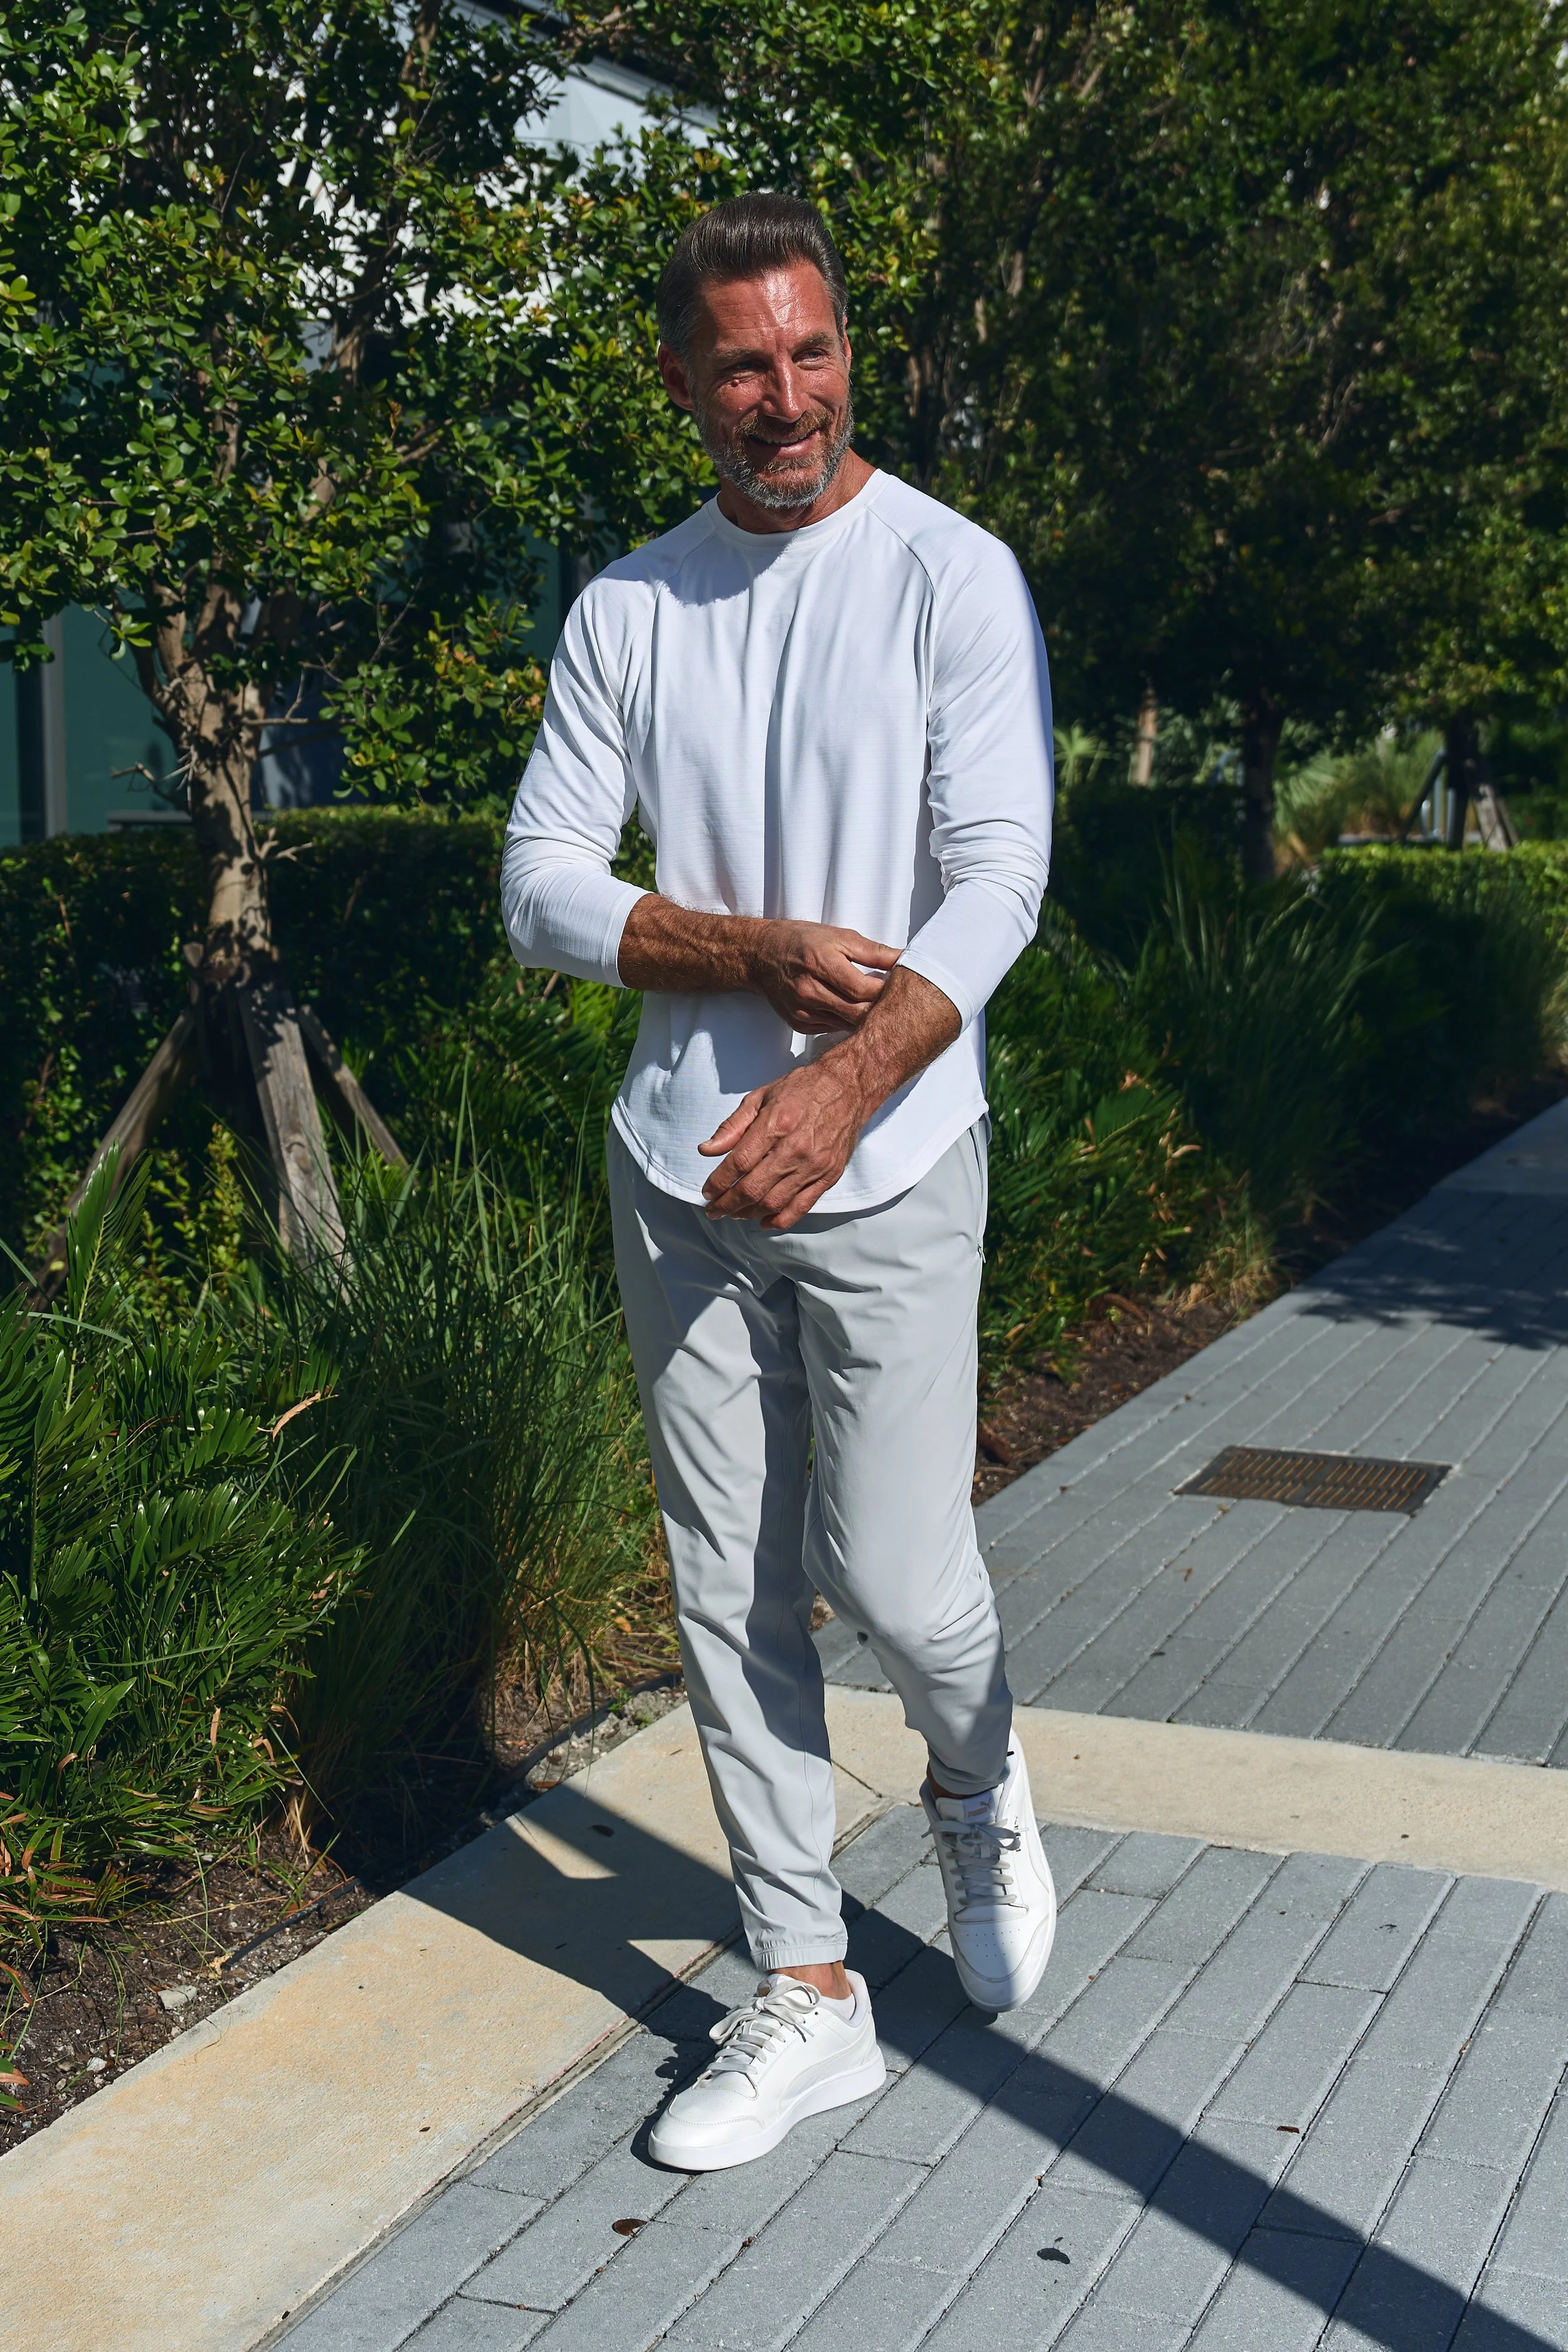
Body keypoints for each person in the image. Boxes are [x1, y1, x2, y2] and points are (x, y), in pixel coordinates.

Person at [501, 193, 1056, 2173]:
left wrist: (843, 1080)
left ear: (850, 349)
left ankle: (979, 1777)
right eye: (742, 362)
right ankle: (806, 1982)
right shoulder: (626, 609)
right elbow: (541, 882)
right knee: (728, 1591)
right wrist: (736, 951)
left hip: (892, 1155)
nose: (785, 396)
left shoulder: (947, 573)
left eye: (811, 351)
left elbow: (999, 871)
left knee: (904, 1579)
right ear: (681, 379)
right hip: (682, 1173)